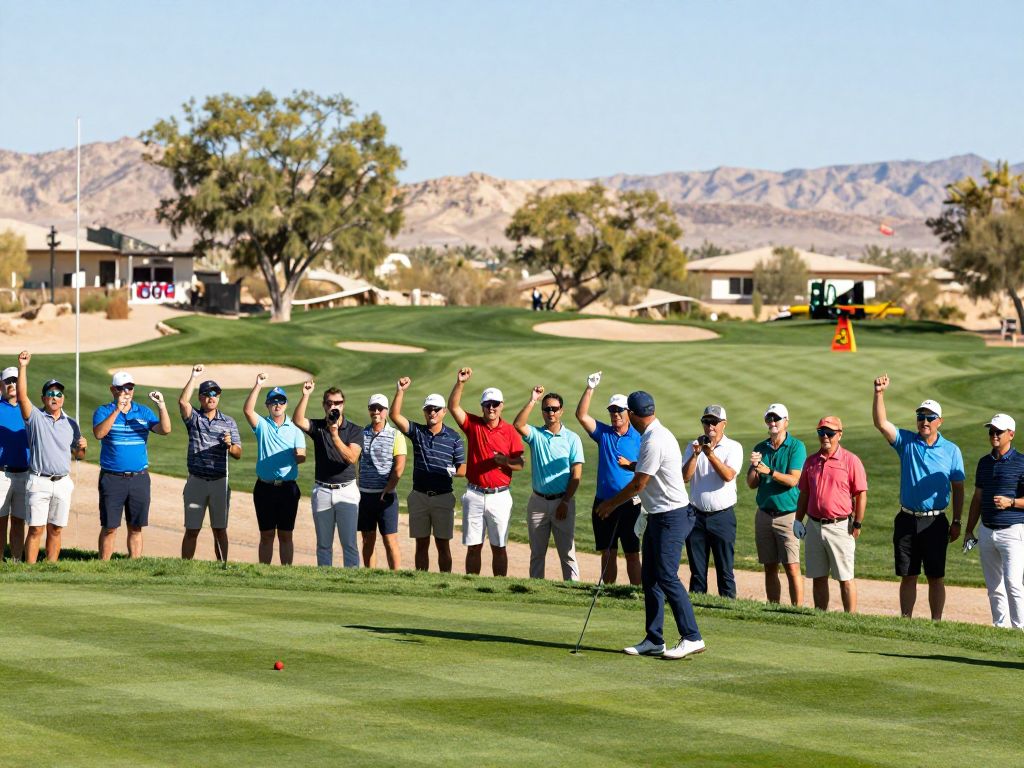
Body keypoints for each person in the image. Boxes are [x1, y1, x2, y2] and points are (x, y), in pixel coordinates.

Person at [597, 391, 704, 659]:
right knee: (650, 579)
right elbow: (647, 471)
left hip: (672, 515)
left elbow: (639, 483)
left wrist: (610, 504)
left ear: (632, 415)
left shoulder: (655, 438)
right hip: (658, 515)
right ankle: (655, 639)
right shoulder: (653, 435)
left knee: (666, 575)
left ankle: (692, 636)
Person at [872, 375, 965, 620]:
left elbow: (958, 487)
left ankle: (936, 622)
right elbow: (881, 423)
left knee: (935, 576)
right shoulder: (907, 442)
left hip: (935, 521)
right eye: (921, 417)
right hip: (907, 518)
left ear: (939, 422)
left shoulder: (951, 450)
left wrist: (957, 521)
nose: (924, 421)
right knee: (908, 575)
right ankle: (906, 620)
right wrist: (879, 393)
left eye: (929, 417)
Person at [448, 367, 524, 576]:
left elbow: (520, 464)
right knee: (473, 546)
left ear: (502, 406)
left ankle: (498, 587)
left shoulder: (509, 431)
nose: (491, 408)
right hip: (474, 493)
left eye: (495, 404)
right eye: (487, 404)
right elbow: (453, 407)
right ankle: (472, 587)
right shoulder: (473, 425)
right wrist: (461, 383)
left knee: (499, 547)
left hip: (500, 495)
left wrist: (504, 461)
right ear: (482, 406)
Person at [15, 351, 86, 563]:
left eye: (58, 394)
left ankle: (51, 568)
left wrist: (82, 448)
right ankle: (29, 569)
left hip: (62, 482)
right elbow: (21, 397)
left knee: (55, 528)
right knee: (36, 528)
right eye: (50, 394)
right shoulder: (35, 418)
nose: (54, 397)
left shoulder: (71, 423)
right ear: (44, 398)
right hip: (39, 481)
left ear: (63, 398)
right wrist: (23, 366)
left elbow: (78, 455)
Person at [92, 371, 172, 560]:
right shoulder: (103, 411)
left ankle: (133, 564)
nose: (126, 392)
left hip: (139, 478)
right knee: (110, 527)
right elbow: (99, 434)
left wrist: (161, 406)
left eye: (130, 388)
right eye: (122, 388)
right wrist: (117, 410)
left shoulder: (143, 412)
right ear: (113, 390)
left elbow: (165, 429)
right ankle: (103, 566)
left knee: (136, 526)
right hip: (112, 478)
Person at [391, 377, 465, 573]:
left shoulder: (453, 437)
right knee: (421, 544)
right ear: (424, 411)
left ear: (444, 412)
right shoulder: (418, 432)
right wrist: (400, 391)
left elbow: (462, 468)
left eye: (436, 409)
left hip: (443, 497)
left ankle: (445, 582)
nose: (432, 412)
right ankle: (421, 582)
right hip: (420, 496)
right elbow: (395, 415)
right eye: (428, 409)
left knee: (443, 545)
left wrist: (447, 470)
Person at [575, 371, 642, 585]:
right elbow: (582, 416)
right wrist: (590, 388)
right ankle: (608, 591)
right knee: (608, 552)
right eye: (612, 410)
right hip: (604, 502)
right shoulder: (604, 433)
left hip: (630, 504)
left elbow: (650, 468)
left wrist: (630, 465)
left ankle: (637, 592)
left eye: (619, 410)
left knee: (632, 553)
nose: (615, 414)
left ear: (628, 412)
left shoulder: (639, 437)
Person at [794, 416, 868, 613]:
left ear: (839, 435)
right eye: (821, 432)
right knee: (818, 577)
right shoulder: (811, 461)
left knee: (845, 578)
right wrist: (798, 521)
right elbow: (805, 493)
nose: (825, 437)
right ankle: (821, 617)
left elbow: (861, 494)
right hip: (814, 525)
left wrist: (858, 523)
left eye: (830, 433)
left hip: (840, 526)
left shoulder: (851, 461)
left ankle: (850, 620)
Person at [513, 386, 584, 581]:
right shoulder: (536, 435)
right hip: (538, 502)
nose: (551, 412)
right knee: (537, 553)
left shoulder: (572, 439)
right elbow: (518, 424)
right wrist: (533, 400)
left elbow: (576, 473)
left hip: (563, 501)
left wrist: (566, 502)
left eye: (554, 408)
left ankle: (573, 590)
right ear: (542, 412)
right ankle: (536, 590)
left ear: (561, 411)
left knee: (567, 552)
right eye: (547, 409)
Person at [293, 380, 363, 568]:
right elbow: (298, 420)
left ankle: (352, 582)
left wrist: (334, 435)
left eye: (337, 403)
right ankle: (325, 581)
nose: (334, 406)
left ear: (343, 405)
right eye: (329, 403)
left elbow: (352, 458)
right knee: (324, 544)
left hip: (346, 490)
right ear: (324, 405)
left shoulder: (355, 430)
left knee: (349, 543)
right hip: (322, 490)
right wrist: (306, 394)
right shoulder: (319, 427)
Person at [964, 413, 1024, 629]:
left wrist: (1011, 502)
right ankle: (1001, 627)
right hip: (987, 530)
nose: (994, 435)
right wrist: (969, 530)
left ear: (1011, 434)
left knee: (1013, 583)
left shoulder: (1021, 462)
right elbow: (978, 498)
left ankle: (1020, 629)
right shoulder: (984, 463)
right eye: (991, 431)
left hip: (1013, 531)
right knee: (994, 585)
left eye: (998, 431)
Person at [177, 364, 242, 561]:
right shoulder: (194, 419)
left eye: (215, 393)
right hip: (196, 481)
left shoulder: (229, 422)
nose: (211, 397)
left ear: (219, 397)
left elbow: (238, 453)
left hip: (219, 482)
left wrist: (230, 446)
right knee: (192, 529)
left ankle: (221, 566)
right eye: (206, 394)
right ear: (200, 397)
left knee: (220, 529)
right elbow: (182, 402)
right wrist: (193, 377)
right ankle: (185, 567)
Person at [746, 403, 806, 605]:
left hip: (788, 515)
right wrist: (755, 467)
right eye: (769, 419)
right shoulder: (760, 448)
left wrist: (769, 471)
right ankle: (774, 608)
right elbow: (751, 484)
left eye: (776, 419)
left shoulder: (796, 446)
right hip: (764, 514)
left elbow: (793, 480)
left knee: (792, 566)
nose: (772, 422)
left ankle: (797, 610)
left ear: (786, 422)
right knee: (769, 566)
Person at [243, 375, 305, 565]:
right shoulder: (262, 425)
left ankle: (286, 572)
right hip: (264, 488)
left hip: (288, 488)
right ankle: (264, 571)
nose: (277, 405)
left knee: (286, 534)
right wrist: (258, 384)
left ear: (286, 405)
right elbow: (247, 410)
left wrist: (294, 456)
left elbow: (301, 456)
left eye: (281, 402)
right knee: (267, 534)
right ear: (268, 405)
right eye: (273, 402)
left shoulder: (295, 430)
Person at [682, 405, 743, 598]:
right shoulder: (693, 446)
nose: (710, 426)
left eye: (714, 422)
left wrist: (709, 454)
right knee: (697, 572)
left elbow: (728, 475)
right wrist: (696, 454)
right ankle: (697, 610)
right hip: (696, 516)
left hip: (722, 517)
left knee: (725, 571)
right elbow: (685, 477)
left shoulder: (734, 447)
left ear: (724, 424)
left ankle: (728, 611)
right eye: (706, 422)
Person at [357, 394, 407, 570]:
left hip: (386, 497)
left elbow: (399, 467)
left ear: (386, 411)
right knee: (367, 538)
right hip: (364, 495)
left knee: (389, 539)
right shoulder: (361, 433)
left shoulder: (396, 435)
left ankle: (395, 577)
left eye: (380, 408)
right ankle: (370, 576)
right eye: (373, 408)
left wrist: (388, 488)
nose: (376, 411)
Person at [0, 364, 29, 561]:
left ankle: (16, 559)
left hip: (24, 473)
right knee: (0, 520)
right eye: (8, 381)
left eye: (15, 380)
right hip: (1, 473)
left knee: (19, 521)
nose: (12, 384)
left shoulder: (29, 410)